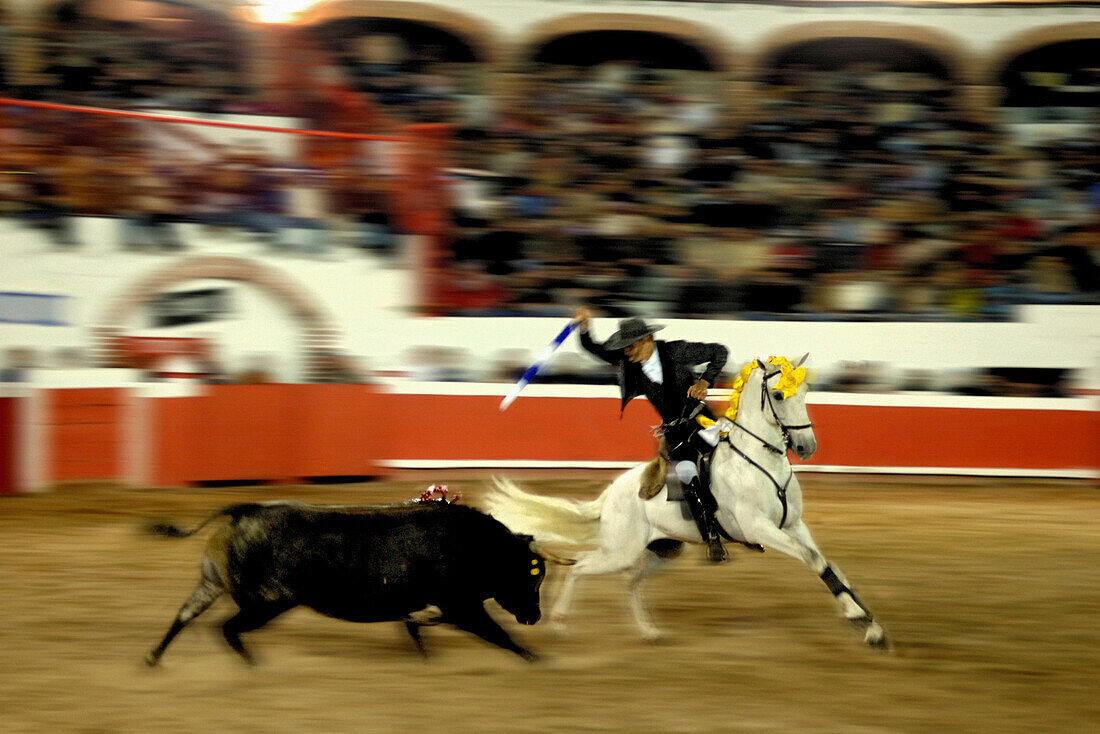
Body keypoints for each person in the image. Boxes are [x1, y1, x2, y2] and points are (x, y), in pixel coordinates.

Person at [572, 307, 730, 562]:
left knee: (735, 459)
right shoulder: (628, 361)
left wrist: (704, 382)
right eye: (624, 347)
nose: (626, 351)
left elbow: (719, 352)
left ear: (646, 340)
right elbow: (597, 350)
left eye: (630, 346)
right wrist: (584, 328)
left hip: (703, 421)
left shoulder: (677, 351)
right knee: (688, 476)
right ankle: (712, 535)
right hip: (675, 432)